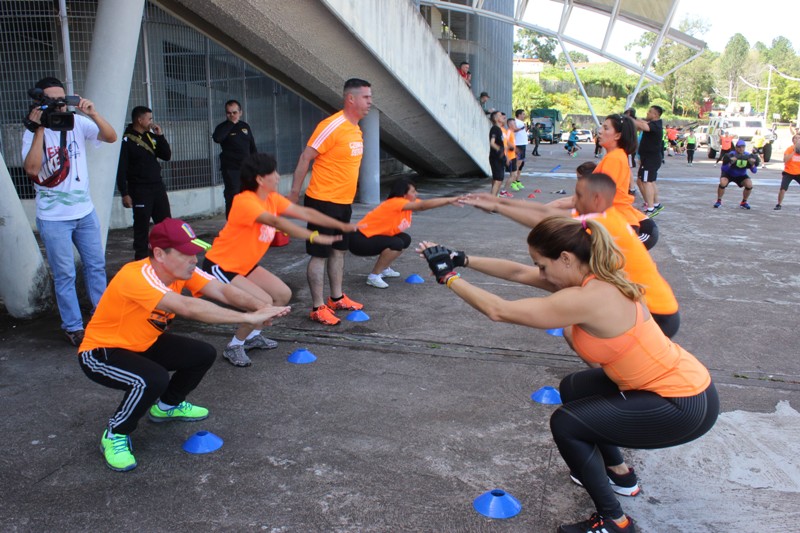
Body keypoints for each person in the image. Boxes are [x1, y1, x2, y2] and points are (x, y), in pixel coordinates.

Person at [417, 217, 718, 533]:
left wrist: (448, 276)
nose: (540, 273)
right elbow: (518, 272)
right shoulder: (598, 277)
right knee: (575, 387)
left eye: (543, 266)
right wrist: (462, 259)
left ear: (566, 258)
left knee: (567, 423)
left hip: (681, 405)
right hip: (686, 386)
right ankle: (619, 473)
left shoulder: (586, 298)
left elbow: (499, 311)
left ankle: (615, 522)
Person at [78, 218, 290, 471]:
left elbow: (222, 291)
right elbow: (188, 307)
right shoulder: (136, 276)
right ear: (159, 254)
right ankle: (115, 434)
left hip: (143, 342)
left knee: (202, 354)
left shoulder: (182, 272)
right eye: (187, 253)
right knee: (151, 379)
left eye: (195, 252)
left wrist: (262, 308)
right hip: (102, 352)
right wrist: (247, 318)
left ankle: (167, 406)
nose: (194, 259)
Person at [460, 168, 680, 338]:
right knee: (572, 332)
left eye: (579, 195)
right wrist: (498, 201)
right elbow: (546, 213)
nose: (573, 200)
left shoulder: (601, 223)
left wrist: (497, 207)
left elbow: (545, 220)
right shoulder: (598, 218)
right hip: (651, 306)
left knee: (576, 331)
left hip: (655, 312)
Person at [203, 153, 357, 365]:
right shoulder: (244, 201)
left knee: (282, 294)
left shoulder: (272, 199)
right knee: (263, 303)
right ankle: (234, 345)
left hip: (244, 265)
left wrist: (340, 225)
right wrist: (314, 236)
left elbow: (305, 213)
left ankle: (252, 336)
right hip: (220, 265)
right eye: (273, 173)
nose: (277, 177)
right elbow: (276, 222)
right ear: (259, 179)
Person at [21, 76, 117, 346]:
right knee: (65, 274)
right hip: (53, 219)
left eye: (61, 100)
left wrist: (94, 114)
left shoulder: (77, 123)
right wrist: (39, 128)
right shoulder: (31, 132)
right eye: (51, 101)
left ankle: (102, 315)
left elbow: (110, 137)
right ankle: (74, 326)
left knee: (96, 266)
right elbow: (31, 169)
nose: (58, 106)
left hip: (84, 212)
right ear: (40, 102)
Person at [289, 78, 372, 326]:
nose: (370, 102)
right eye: (366, 97)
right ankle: (317, 307)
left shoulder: (356, 128)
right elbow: (306, 158)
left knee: (339, 251)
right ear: (351, 99)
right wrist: (293, 194)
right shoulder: (331, 125)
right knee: (319, 254)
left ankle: (336, 298)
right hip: (321, 203)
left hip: (343, 203)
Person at [349, 177, 459, 289]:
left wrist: (450, 201)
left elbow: (426, 204)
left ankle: (385, 269)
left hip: (372, 238)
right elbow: (422, 206)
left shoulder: (408, 202)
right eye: (413, 191)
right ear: (403, 193)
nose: (417, 193)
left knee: (404, 239)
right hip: (360, 240)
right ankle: (374, 276)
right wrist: (449, 200)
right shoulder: (395, 202)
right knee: (396, 243)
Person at [594, 114, 659, 250]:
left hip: (639, 228)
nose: (599, 131)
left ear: (617, 135)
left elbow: (602, 196)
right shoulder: (614, 156)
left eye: (606, 128)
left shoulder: (614, 158)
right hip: (625, 222)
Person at [116, 105, 173, 260]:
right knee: (141, 226)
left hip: (157, 186)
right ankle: (141, 259)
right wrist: (125, 193)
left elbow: (166, 155)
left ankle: (166, 256)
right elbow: (121, 169)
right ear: (139, 120)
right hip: (140, 189)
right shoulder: (127, 140)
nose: (151, 122)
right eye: (149, 119)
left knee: (165, 223)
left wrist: (160, 136)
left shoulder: (150, 136)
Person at [212, 99, 258, 218]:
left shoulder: (245, 126)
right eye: (229, 113)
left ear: (240, 112)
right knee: (233, 196)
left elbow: (252, 147)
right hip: (231, 169)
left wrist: (256, 166)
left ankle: (246, 222)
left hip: (246, 168)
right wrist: (231, 123)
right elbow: (217, 138)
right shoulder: (223, 127)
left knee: (248, 196)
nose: (232, 115)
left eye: (234, 112)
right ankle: (232, 224)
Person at [632, 106, 664, 217]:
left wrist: (629, 119)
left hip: (651, 159)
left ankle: (651, 208)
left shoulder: (656, 125)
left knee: (647, 182)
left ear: (655, 115)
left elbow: (641, 125)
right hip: (648, 158)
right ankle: (655, 204)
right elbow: (641, 122)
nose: (647, 112)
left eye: (650, 112)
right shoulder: (652, 123)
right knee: (645, 181)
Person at [714, 139, 758, 209]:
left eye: (743, 147)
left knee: (749, 184)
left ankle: (744, 202)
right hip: (729, 174)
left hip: (741, 175)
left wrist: (752, 164)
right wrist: (730, 163)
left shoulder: (748, 156)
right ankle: (719, 201)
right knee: (723, 182)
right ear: (736, 147)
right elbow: (723, 168)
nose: (741, 149)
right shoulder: (730, 155)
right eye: (739, 147)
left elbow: (754, 171)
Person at [774, 134, 800, 210]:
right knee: (783, 188)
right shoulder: (789, 149)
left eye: (799, 138)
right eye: (796, 138)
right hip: (788, 172)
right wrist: (794, 151)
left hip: (798, 173)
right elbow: (785, 160)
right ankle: (779, 204)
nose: (798, 139)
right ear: (793, 140)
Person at [488, 110, 506, 197]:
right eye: (500, 115)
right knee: (498, 179)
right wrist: (500, 150)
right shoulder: (495, 129)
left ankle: (494, 197)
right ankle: (492, 201)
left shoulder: (499, 129)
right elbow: (492, 143)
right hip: (496, 158)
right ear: (496, 119)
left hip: (499, 158)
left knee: (497, 179)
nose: (503, 117)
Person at [504, 116, 520, 194]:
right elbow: (505, 141)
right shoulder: (508, 132)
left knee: (514, 174)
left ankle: (506, 191)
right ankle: (504, 191)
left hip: (513, 156)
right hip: (509, 157)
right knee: (512, 175)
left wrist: (515, 152)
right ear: (510, 124)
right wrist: (507, 157)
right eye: (514, 123)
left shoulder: (512, 133)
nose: (515, 125)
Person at [512, 109, 528, 188]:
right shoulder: (515, 121)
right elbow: (514, 130)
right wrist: (522, 128)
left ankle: (518, 180)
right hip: (518, 145)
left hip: (523, 144)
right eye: (523, 114)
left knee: (522, 164)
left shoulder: (521, 123)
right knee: (517, 163)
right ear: (519, 115)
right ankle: (513, 181)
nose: (524, 116)